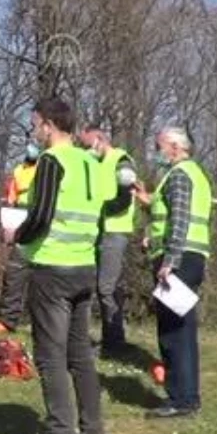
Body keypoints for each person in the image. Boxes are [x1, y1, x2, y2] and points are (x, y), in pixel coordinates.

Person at [5, 99, 106, 434]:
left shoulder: (52, 161)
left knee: (50, 357)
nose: (34, 131)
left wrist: (17, 234)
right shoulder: (90, 162)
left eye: (35, 124)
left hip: (53, 269)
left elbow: (43, 213)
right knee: (80, 356)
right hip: (84, 267)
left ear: (48, 125)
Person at [134, 127, 212, 419]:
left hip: (178, 260)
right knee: (182, 328)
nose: (157, 151)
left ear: (176, 147)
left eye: (160, 146)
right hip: (189, 256)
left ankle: (181, 399)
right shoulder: (194, 174)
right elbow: (168, 216)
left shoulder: (180, 175)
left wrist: (169, 260)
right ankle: (186, 397)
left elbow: (179, 220)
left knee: (173, 331)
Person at [80, 125, 138, 354]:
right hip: (100, 230)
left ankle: (114, 342)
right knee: (103, 287)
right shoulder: (98, 162)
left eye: (88, 144)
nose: (87, 149)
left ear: (99, 139)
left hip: (114, 230)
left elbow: (124, 197)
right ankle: (111, 339)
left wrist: (101, 210)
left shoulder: (121, 160)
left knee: (106, 289)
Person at [0, 143, 39, 333]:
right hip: (20, 219)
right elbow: (11, 200)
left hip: (41, 218)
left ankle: (42, 322)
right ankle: (8, 320)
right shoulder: (18, 171)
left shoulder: (47, 167)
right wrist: (9, 226)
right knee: (14, 271)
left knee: (44, 276)